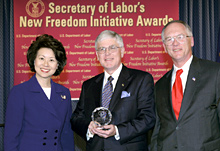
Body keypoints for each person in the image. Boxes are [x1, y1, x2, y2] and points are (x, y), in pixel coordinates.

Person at [71, 30, 155, 151]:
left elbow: (148, 117)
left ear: (122, 51)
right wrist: (88, 127)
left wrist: (117, 130)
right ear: (97, 54)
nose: (107, 53)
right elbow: (76, 118)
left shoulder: (141, 79)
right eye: (102, 49)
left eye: (112, 48)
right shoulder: (88, 85)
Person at [150, 20, 220, 151]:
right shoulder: (159, 85)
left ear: (192, 41)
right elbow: (158, 130)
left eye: (180, 37)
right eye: (169, 39)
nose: (175, 43)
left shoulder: (215, 72)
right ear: (164, 47)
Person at [4, 34, 75, 151]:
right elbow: (11, 138)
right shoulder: (19, 92)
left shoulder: (64, 93)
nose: (46, 64)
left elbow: (66, 134)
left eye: (51, 60)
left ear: (57, 65)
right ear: (34, 60)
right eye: (41, 58)